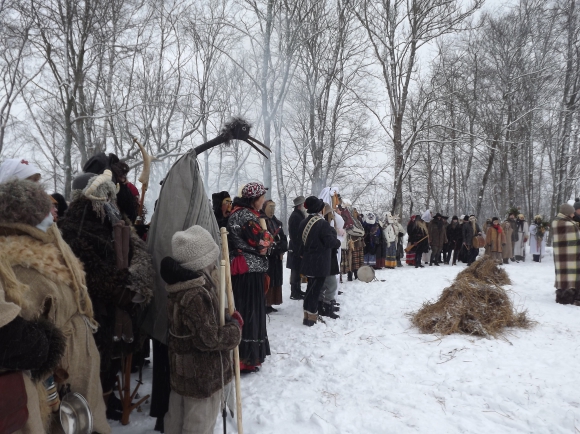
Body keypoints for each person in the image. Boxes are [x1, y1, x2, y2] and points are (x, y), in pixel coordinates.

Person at [0, 179, 109, 433]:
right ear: (25, 217)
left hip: (78, 361)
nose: (54, 212)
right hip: (51, 375)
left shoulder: (52, 244)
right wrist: (43, 346)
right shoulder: (10, 260)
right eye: (45, 209)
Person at [58, 170, 153, 421]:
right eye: (106, 194)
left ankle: (105, 406)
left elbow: (135, 249)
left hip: (114, 311)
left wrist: (134, 281)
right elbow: (83, 267)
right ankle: (91, 414)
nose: (111, 198)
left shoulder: (112, 220)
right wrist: (117, 287)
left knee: (109, 364)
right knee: (90, 368)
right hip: (90, 311)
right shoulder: (73, 227)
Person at [160, 226, 242, 434]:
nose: (214, 262)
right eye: (210, 258)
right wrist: (234, 329)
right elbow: (209, 339)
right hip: (202, 376)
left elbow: (195, 326)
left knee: (176, 420)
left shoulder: (180, 286)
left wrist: (223, 317)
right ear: (200, 262)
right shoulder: (196, 294)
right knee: (199, 425)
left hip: (183, 373)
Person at [227, 182, 273, 372]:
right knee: (250, 312)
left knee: (246, 310)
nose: (263, 201)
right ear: (253, 199)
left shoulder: (238, 213)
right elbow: (262, 242)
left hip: (246, 268)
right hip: (249, 270)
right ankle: (245, 359)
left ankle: (245, 357)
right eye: (261, 197)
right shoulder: (245, 216)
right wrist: (268, 239)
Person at [298, 196, 341, 326]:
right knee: (315, 291)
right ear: (319, 209)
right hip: (320, 263)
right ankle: (311, 318)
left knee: (310, 290)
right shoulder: (322, 224)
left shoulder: (303, 222)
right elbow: (330, 242)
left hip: (308, 262)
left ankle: (307, 316)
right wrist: (338, 241)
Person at [261, 200, 288, 313]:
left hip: (277, 257)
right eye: (269, 208)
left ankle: (271, 302)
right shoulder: (261, 222)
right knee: (268, 279)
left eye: (273, 208)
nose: (272, 211)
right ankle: (265, 302)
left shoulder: (277, 222)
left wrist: (282, 246)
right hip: (267, 257)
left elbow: (283, 238)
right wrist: (273, 248)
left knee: (275, 279)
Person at [552, 203, 580, 305]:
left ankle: (571, 296)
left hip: (566, 255)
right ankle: (566, 298)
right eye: (572, 213)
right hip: (566, 255)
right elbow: (575, 235)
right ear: (567, 213)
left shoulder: (562, 221)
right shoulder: (563, 223)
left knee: (568, 276)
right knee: (568, 277)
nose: (573, 215)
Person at [287, 196, 307, 300]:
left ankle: (298, 289)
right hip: (295, 247)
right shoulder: (295, 216)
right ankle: (294, 292)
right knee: (295, 270)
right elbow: (295, 235)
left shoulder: (298, 215)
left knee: (298, 269)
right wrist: (299, 249)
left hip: (297, 246)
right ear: (300, 205)